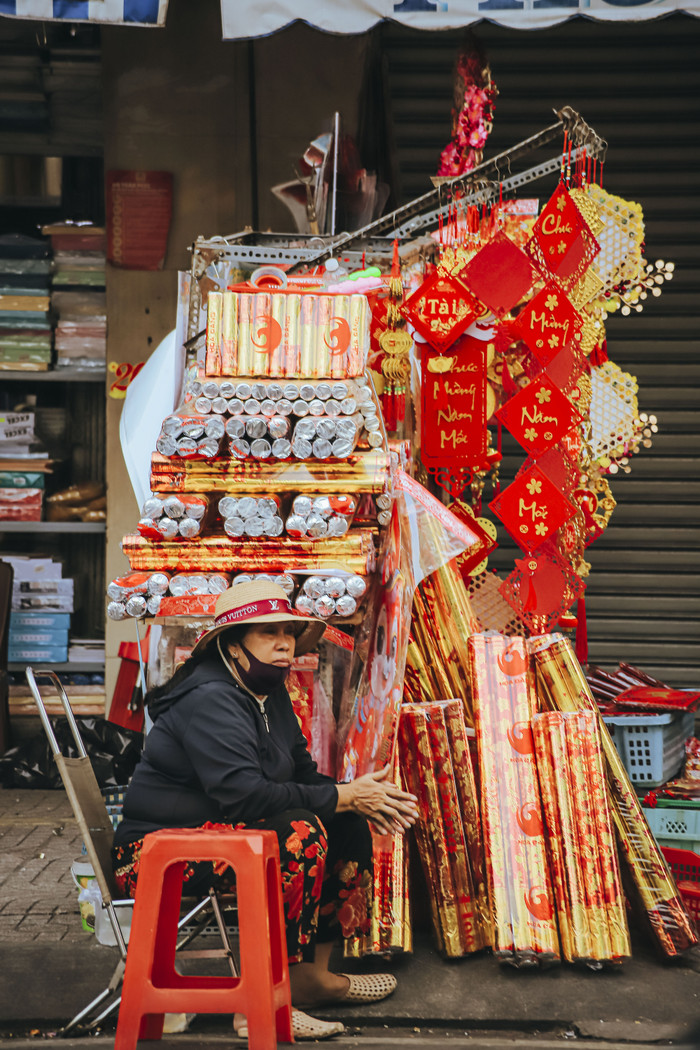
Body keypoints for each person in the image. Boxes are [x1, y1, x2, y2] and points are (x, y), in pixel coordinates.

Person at [112, 580, 419, 1041]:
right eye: (268, 633)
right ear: (234, 647)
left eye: (289, 632)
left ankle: (307, 979)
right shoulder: (211, 697)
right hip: (158, 852)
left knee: (346, 824)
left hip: (225, 835)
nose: (284, 643)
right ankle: (257, 1002)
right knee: (298, 833)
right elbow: (243, 796)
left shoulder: (270, 692)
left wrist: (354, 797)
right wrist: (344, 794)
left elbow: (301, 772)